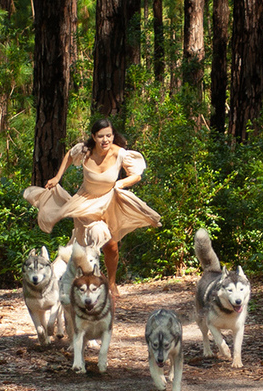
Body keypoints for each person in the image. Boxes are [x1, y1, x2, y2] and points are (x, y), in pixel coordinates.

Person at [23, 118, 161, 297]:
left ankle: (110, 282)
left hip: (109, 203)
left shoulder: (120, 154)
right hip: (86, 204)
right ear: (93, 137)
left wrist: (121, 183)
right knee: (102, 240)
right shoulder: (85, 151)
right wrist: (58, 177)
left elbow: (136, 175)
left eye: (109, 136)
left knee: (111, 247)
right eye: (101, 136)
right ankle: (92, 283)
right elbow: (70, 155)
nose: (105, 140)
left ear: (113, 136)